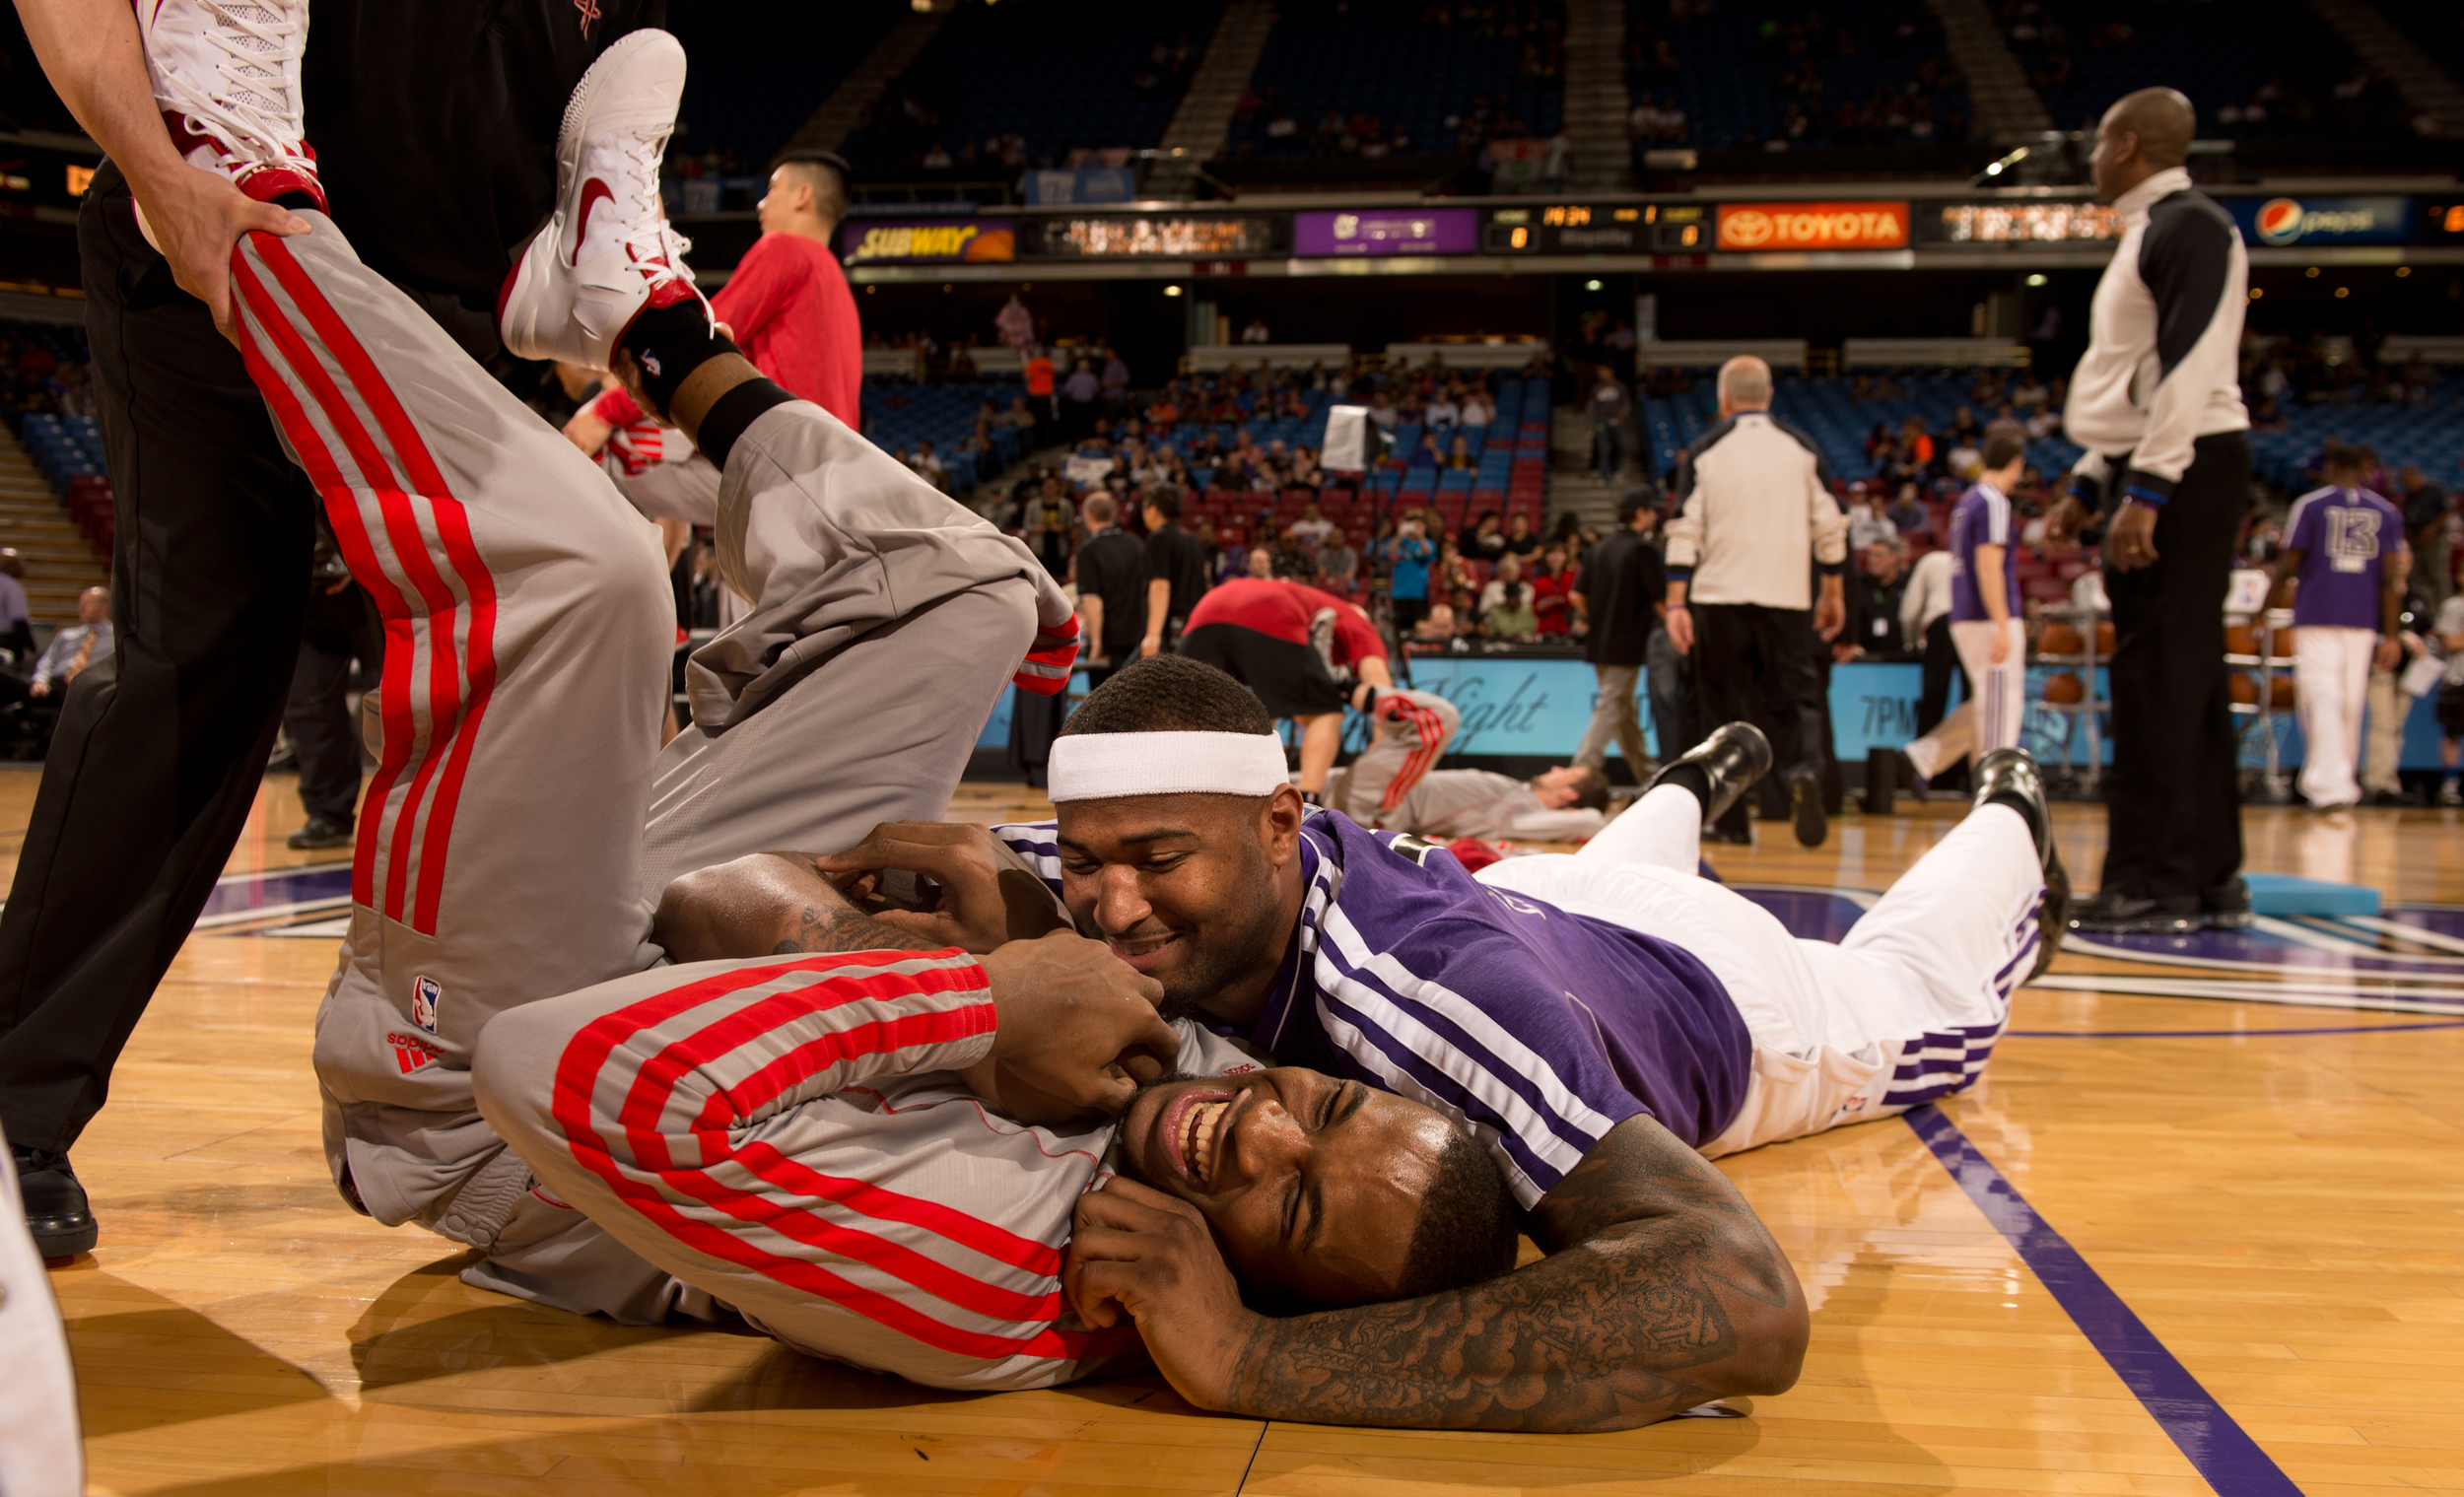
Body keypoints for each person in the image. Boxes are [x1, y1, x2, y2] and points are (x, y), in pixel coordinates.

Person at [785, 656, 2068, 1428]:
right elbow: (727, 896)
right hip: (1536, 890)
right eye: (1084, 862)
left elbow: (1739, 1298)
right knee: (1595, 870)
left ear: (1284, 821)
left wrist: (1253, 1355)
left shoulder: (1421, 995)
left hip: (1710, 995)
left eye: (1160, 862)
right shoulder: (1120, 855)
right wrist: (864, 920)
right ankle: (1690, 778)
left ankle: (2010, 809)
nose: (1112, 906)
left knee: (1924, 989)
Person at [1, 0, 679, 1253]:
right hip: (229, 229)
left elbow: (600, 113)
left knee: (567, 634)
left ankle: (485, 1087)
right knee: (202, 670)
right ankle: (11, 1105)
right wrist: (163, 173)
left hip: (445, 306)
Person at [2043, 87, 2255, 933]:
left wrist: (2151, 486)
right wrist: (2092, 480)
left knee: (2158, 675)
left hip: (2188, 463)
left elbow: (2192, 366)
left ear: (2128, 145)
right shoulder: (2153, 231)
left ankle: (2153, 879)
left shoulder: (2190, 225)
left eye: (2098, 143)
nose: (2092, 159)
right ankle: (2208, 877)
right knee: (2186, 676)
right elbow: (2139, 382)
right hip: (2168, 457)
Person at [1662, 355, 1848, 848]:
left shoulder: (1705, 450)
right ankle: (1803, 772)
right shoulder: (1801, 449)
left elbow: (1685, 530)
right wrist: (1832, 590)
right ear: (1768, 397)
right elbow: (1830, 526)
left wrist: (1676, 602)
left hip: (1718, 597)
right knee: (1796, 699)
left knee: (1719, 711)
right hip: (1786, 597)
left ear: (1723, 400)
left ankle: (1729, 820)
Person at [2268, 444, 2406, 812]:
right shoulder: (2387, 511)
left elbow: (2288, 564)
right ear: (2363, 468)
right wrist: (2391, 634)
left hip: (2317, 613)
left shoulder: (2310, 506)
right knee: (2349, 703)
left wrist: (2264, 608)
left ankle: (2329, 785)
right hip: (2362, 619)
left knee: (2321, 698)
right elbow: (2392, 580)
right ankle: (2339, 783)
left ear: (2329, 467)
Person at [1176, 576, 1394, 800]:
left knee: (1210, 716)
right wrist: (1382, 753)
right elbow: (1381, 688)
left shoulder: (1302, 596)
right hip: (1269, 611)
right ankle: (1308, 806)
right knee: (1323, 712)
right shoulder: (1356, 619)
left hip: (1205, 613)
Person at [1901, 435, 2029, 790]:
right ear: (2016, 463)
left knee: (1988, 702)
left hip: (1964, 614)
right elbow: (1988, 566)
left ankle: (1925, 755)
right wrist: (2002, 624)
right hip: (1986, 617)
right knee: (2002, 705)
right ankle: (1995, 791)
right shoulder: (1994, 501)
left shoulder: (1966, 502)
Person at [1326, 686, 1610, 842]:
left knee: (1440, 718)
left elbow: (1593, 822)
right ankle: (1336, 687)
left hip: (1378, 808)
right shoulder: (1520, 793)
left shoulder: (1524, 815)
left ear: (1569, 795)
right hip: (1370, 790)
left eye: (1569, 772)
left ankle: (1340, 687)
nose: (1558, 769)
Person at [281, 516, 382, 850]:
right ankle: (328, 814)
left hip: (375, 577)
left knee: (396, 701)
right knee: (308, 704)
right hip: (303, 591)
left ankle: (417, 814)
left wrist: (353, 559)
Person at [1570, 497, 1663, 778]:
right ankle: (1579, 774)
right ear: (1641, 512)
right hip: (1628, 643)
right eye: (1652, 511)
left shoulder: (1600, 548)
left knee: (1624, 709)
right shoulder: (1643, 549)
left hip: (1600, 643)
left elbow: (1575, 595)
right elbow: (1660, 599)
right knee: (1612, 705)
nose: (1655, 517)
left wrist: (1597, 619)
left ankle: (1647, 774)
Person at [1070, 493, 1146, 683]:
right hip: (1139, 641)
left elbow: (1092, 600)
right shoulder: (1137, 544)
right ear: (1114, 514)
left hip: (1110, 645)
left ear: (1087, 516)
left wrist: (1096, 645)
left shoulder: (1088, 550)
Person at [1139, 485, 1210, 659]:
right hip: (1192, 627)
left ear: (1154, 509)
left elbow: (1160, 585)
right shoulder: (1192, 538)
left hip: (1170, 629)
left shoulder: (1159, 537)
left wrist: (1153, 634)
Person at [25, 587, 111, 701]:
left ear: (104, 607)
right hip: (53, 685)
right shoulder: (66, 635)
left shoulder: (115, 639)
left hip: (87, 688)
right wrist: (41, 681)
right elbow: (47, 661)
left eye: (88, 603)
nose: (82, 607)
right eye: (81, 602)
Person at [1381, 511, 1436, 638]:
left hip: (1419, 592)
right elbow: (1385, 553)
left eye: (1418, 524)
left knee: (1419, 626)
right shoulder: (1398, 542)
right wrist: (1399, 535)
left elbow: (1428, 553)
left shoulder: (1428, 543)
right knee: (1399, 626)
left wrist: (1421, 536)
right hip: (1399, 591)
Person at [1589, 367, 1631, 485]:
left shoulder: (1620, 387)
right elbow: (1592, 406)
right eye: (1600, 372)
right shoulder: (1596, 388)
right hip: (1601, 421)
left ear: (1610, 372)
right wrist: (1591, 422)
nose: (1601, 373)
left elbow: (1626, 403)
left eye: (1603, 371)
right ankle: (1604, 476)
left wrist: (1621, 416)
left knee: (1622, 446)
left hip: (1617, 421)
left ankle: (1615, 470)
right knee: (1602, 449)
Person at [1480, 556, 1540, 642]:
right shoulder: (1491, 587)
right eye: (1505, 571)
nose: (1508, 574)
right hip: (1501, 632)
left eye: (1511, 571)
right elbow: (1484, 610)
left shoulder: (1527, 589)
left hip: (1526, 639)